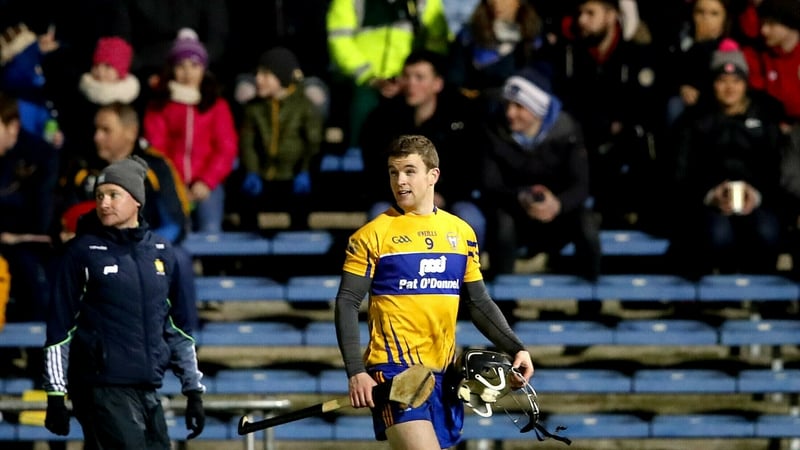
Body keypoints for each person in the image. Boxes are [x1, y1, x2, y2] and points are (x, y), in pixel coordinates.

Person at [334, 134, 534, 449]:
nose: (400, 180)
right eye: (393, 172)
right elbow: (347, 302)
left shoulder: (461, 232)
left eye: (409, 171)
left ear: (433, 176)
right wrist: (356, 371)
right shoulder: (371, 236)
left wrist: (516, 347)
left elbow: (478, 301)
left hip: (445, 374)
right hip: (395, 373)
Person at [42, 155, 205, 448]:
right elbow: (59, 328)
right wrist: (56, 394)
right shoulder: (81, 252)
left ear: (136, 200)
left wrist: (193, 390)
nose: (104, 203)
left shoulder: (162, 253)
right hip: (100, 386)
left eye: (113, 195)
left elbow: (177, 328)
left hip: (147, 386)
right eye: (99, 196)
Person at [669, 38, 786, 278]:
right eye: (722, 80)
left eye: (736, 81)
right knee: (717, 234)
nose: (729, 87)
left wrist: (755, 194)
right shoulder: (695, 121)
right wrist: (711, 195)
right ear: (712, 84)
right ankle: (717, 294)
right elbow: (681, 174)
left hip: (757, 201)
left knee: (768, 232)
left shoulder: (764, 118)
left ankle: (762, 299)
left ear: (745, 83)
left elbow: (776, 169)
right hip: (709, 204)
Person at [548, 0, 662, 229]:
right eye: (580, 13)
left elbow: (645, 103)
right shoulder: (570, 55)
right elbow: (567, 101)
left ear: (611, 16)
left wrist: (619, 122)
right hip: (585, 136)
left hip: (625, 138)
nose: (582, 20)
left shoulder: (635, 54)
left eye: (591, 13)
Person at [479, 70, 601, 282]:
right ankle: (504, 303)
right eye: (507, 104)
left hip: (559, 214)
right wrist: (521, 197)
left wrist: (558, 204)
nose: (510, 113)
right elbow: (490, 184)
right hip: (515, 212)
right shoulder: (494, 132)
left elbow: (581, 185)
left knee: (586, 222)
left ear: (538, 108)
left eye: (519, 106)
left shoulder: (567, 133)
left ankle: (591, 298)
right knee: (501, 222)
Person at [360, 49, 487, 246]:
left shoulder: (460, 121)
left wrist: (441, 196)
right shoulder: (382, 120)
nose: (412, 84)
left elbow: (470, 169)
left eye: (420, 77)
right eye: (407, 77)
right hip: (396, 198)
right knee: (378, 219)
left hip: (448, 199)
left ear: (437, 83)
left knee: (471, 221)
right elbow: (376, 171)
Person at [143, 28, 238, 233]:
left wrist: (206, 181)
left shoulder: (216, 105)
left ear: (203, 69)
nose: (188, 73)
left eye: (194, 66)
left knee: (210, 228)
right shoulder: (160, 105)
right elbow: (156, 147)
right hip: (170, 184)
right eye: (181, 66)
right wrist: (173, 183)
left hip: (206, 184)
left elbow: (226, 148)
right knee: (173, 230)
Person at [326, 0, 451, 148]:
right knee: (364, 104)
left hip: (408, 76)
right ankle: (357, 154)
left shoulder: (426, 2)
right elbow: (339, 40)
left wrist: (410, 75)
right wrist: (369, 77)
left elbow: (437, 39)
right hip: (363, 79)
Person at [233, 46, 324, 231]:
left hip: (292, 176)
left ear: (281, 78)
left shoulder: (303, 107)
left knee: (301, 208)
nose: (258, 79)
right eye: (257, 74)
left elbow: (313, 144)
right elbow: (248, 143)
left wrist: (305, 170)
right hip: (263, 175)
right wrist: (252, 170)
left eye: (266, 75)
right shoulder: (254, 109)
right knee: (245, 204)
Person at [0, 91, 58, 323]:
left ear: (12, 126)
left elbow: (41, 216)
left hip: (27, 247)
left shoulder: (40, 157)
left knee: (30, 275)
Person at [742, 0, 800, 127]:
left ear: (789, 26)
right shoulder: (759, 57)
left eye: (771, 24)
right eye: (763, 24)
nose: (764, 30)